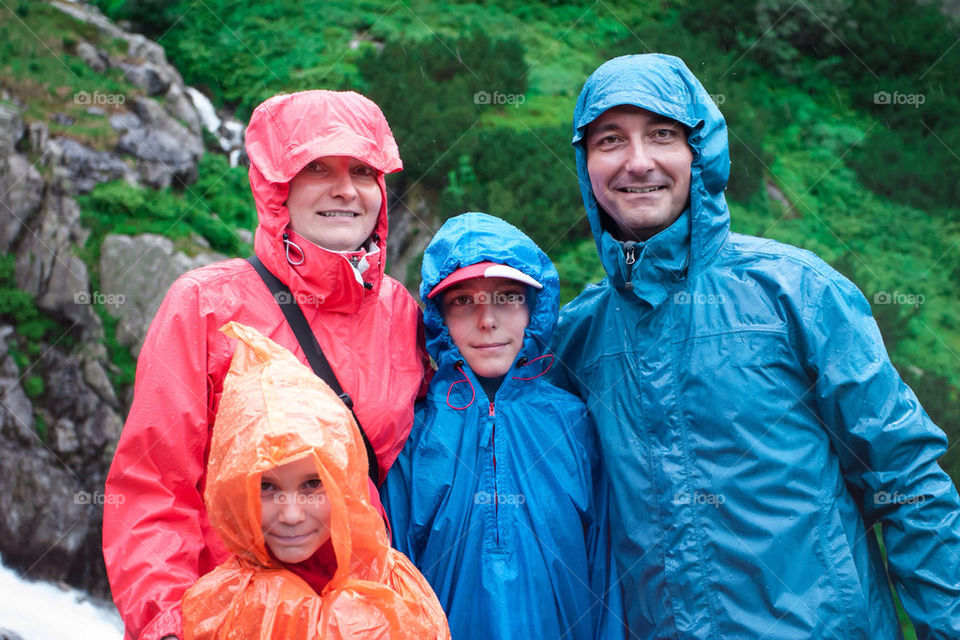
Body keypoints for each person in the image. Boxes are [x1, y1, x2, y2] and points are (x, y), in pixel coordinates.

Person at [550, 53, 960, 639]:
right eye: (610, 140)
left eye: (662, 134)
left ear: (701, 150)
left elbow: (907, 481)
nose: (638, 162)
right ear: (586, 164)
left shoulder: (797, 292)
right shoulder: (578, 337)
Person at [103, 90, 430, 640]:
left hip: (360, 620)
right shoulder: (204, 305)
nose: (345, 189)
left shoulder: (403, 313)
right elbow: (153, 486)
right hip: (234, 621)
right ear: (276, 187)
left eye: (362, 170)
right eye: (317, 167)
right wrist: (167, 623)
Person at [381, 212, 624, 640]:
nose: (487, 320)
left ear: (536, 306)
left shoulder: (576, 423)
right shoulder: (412, 432)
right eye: (462, 301)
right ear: (437, 317)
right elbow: (392, 577)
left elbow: (605, 567)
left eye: (508, 296)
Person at [180, 322, 449, 640]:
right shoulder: (218, 606)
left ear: (344, 483)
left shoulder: (398, 592)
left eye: (312, 484)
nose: (292, 515)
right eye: (268, 487)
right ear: (235, 491)